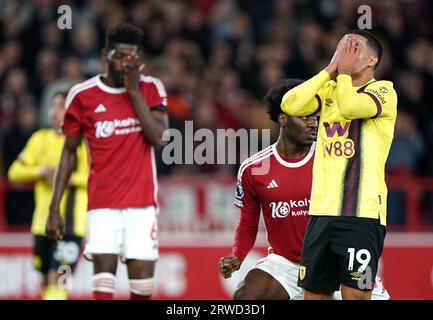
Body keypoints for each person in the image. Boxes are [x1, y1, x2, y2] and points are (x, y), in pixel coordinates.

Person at [218, 79, 389, 300]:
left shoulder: (332, 158)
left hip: (336, 263)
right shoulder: (254, 169)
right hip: (286, 264)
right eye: (305, 116)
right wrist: (237, 256)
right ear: (284, 118)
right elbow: (248, 224)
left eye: (315, 116)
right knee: (247, 297)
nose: (313, 123)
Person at [46, 22, 168, 300]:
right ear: (105, 55)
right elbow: (69, 152)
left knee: (143, 291)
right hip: (103, 205)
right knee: (103, 288)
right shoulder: (82, 95)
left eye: (132, 57)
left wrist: (134, 92)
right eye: (120, 56)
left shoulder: (151, 89)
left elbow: (160, 140)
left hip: (142, 204)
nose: (126, 63)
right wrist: (55, 208)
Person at [280, 30, 397, 300]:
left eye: (353, 48)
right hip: (321, 213)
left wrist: (342, 74)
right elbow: (291, 104)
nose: (345, 52)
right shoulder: (331, 88)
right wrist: (329, 70)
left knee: (355, 295)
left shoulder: (383, 91)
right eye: (341, 47)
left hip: (362, 216)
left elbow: (351, 107)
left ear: (371, 60)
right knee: (314, 295)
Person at [8, 92, 88, 300]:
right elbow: (14, 171)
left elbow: (95, 176)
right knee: (45, 280)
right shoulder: (39, 139)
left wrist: (67, 178)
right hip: (42, 223)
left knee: (60, 277)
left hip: (71, 224)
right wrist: (41, 171)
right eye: (54, 107)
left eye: (61, 107)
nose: (56, 112)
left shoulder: (82, 142)